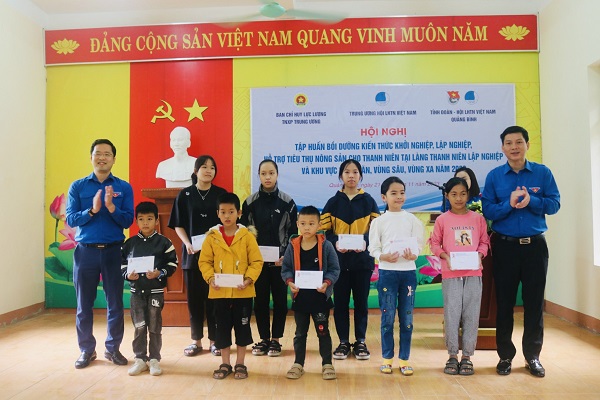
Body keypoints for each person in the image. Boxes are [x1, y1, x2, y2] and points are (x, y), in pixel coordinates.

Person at [482, 125, 560, 378]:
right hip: (504, 247)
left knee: (534, 303)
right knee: (504, 303)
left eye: (518, 142)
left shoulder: (543, 173)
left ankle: (532, 356)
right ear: (502, 147)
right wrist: (509, 204)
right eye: (509, 143)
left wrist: (532, 201)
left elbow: (554, 204)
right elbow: (488, 211)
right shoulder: (494, 176)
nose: (514, 147)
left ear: (527, 145)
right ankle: (505, 356)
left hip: (535, 247)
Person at [66, 139, 134, 369]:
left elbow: (128, 220)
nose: (102, 158)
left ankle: (113, 348)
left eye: (107, 154)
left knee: (115, 303)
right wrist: (93, 210)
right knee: (84, 305)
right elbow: (71, 219)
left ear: (114, 159)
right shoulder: (78, 186)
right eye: (98, 153)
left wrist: (112, 207)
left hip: (114, 251)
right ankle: (86, 350)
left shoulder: (124, 187)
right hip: (86, 252)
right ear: (91, 157)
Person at [199, 192, 263, 380]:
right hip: (219, 293)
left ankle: (240, 363)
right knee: (222, 328)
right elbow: (204, 262)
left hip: (243, 293)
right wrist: (210, 278)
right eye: (223, 212)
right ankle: (225, 363)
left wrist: (248, 279)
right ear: (217, 214)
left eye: (231, 212)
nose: (227, 216)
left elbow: (256, 261)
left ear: (239, 213)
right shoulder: (211, 237)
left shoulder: (247, 236)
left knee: (242, 328)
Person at [320, 158, 380, 360]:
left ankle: (360, 341)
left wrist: (364, 241)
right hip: (338, 264)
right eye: (347, 172)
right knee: (341, 304)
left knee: (361, 303)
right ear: (341, 176)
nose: (351, 176)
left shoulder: (369, 201)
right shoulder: (332, 202)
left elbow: (376, 231)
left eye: (355, 172)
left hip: (363, 263)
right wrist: (336, 242)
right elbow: (324, 233)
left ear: (360, 176)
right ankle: (343, 342)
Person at [168, 155, 227, 357]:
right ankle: (196, 341)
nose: (209, 170)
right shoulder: (184, 195)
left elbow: (228, 221)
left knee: (214, 300)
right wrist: (187, 244)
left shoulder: (221, 194)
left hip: (216, 256)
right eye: (204, 167)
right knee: (194, 300)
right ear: (195, 171)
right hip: (192, 255)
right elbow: (178, 224)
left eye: (212, 167)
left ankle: (215, 341)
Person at [430, 177, 490, 376]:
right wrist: (445, 256)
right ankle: (452, 355)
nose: (458, 198)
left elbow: (484, 242)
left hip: (473, 273)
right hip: (451, 274)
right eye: (454, 194)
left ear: (468, 195)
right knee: (452, 314)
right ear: (447, 196)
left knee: (471, 315)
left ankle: (467, 357)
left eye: (463, 194)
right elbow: (435, 244)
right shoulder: (442, 220)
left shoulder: (478, 219)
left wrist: (480, 255)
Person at [240, 159, 297, 357]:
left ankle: (276, 340)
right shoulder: (250, 202)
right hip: (257, 264)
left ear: (277, 175)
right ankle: (264, 339)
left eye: (271, 173)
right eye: (263, 173)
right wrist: (251, 257)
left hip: (280, 263)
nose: (267, 177)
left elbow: (293, 233)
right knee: (261, 302)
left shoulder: (287, 202)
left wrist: (285, 256)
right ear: (259, 175)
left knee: (280, 302)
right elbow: (244, 233)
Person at [368, 176, 424, 376]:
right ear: (384, 197)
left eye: (402, 192)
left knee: (407, 318)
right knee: (387, 317)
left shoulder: (412, 220)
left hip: (408, 273)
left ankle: (405, 359)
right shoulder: (378, 222)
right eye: (394, 193)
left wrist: (413, 255)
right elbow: (373, 248)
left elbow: (419, 244)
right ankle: (387, 358)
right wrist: (382, 256)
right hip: (387, 273)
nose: (399, 196)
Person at [281, 206, 340, 380]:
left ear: (319, 225)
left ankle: (327, 364)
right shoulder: (293, 246)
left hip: (320, 298)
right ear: (297, 224)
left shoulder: (326, 245)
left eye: (311, 224)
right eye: (303, 223)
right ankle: (298, 364)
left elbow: (334, 269)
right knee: (300, 333)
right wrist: (290, 282)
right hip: (300, 298)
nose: (307, 227)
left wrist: (326, 283)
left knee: (323, 331)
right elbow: (286, 269)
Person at [121, 202, 178, 376]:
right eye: (141, 219)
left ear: (156, 221)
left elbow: (173, 264)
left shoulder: (164, 242)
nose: (145, 223)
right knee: (139, 326)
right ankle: (140, 359)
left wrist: (159, 273)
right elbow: (121, 265)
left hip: (155, 293)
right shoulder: (129, 244)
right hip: (136, 293)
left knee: (154, 327)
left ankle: (154, 359)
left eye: (149, 219)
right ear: (136, 221)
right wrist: (128, 275)